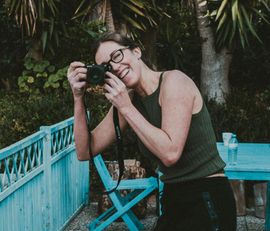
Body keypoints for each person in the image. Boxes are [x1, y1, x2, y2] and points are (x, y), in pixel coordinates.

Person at [67, 32, 236, 231]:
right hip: (173, 198)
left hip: (206, 196)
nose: (115, 67)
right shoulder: (127, 102)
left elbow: (170, 153)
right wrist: (78, 98)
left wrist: (126, 107)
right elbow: (85, 151)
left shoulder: (174, 81)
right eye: (107, 67)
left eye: (117, 56)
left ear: (136, 51)